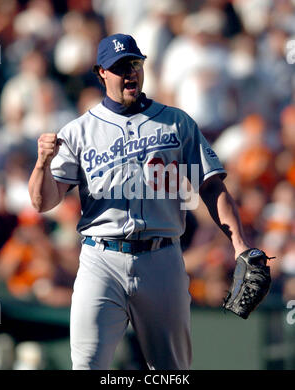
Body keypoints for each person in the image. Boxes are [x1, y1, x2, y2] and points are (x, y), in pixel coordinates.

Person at [28, 33, 250, 370]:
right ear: (101, 72)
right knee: (87, 365)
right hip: (101, 258)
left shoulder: (177, 123)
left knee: (172, 371)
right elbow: (43, 202)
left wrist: (240, 244)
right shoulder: (78, 132)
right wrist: (42, 163)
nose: (130, 72)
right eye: (119, 67)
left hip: (161, 258)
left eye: (134, 63)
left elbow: (211, 186)